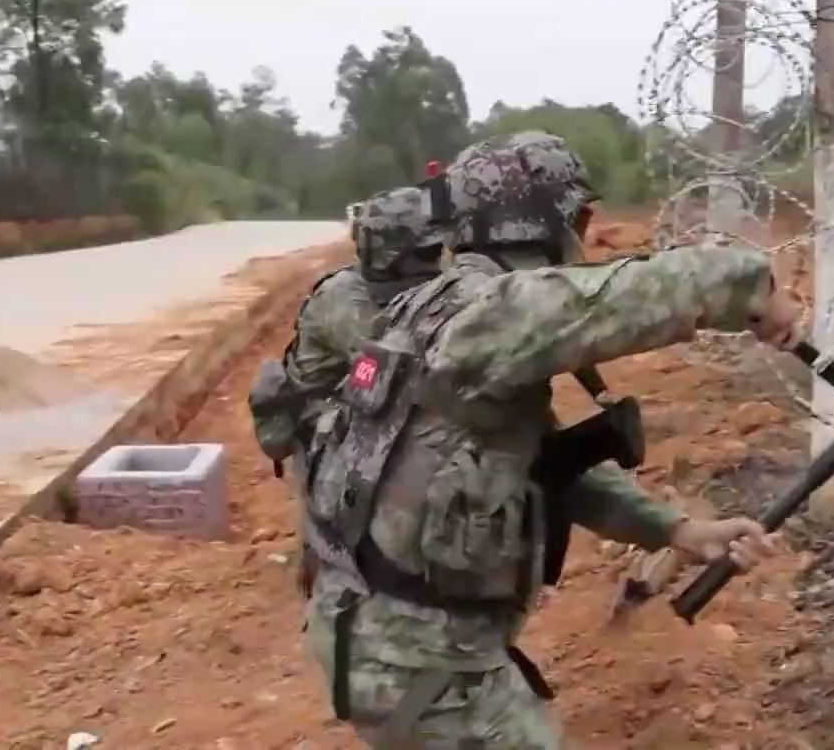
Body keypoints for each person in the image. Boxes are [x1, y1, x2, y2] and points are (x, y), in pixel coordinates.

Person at [300, 130, 803, 748]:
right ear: (547, 221)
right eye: (582, 218)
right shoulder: (491, 315)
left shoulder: (433, 309)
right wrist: (756, 291)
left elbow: (546, 465)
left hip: (376, 638)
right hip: (417, 664)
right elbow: (628, 293)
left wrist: (677, 532)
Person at [249, 184, 448, 591]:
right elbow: (405, 361)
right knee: (328, 525)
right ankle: (324, 591)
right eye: (424, 252)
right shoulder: (343, 299)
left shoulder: (400, 290)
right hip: (317, 423)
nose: (435, 259)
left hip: (354, 403)